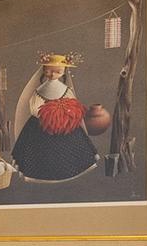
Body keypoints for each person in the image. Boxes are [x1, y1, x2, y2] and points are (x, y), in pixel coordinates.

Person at [9, 52, 98, 182]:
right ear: (44, 71)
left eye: (58, 72)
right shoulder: (40, 90)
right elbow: (34, 106)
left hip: (66, 123)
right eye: (49, 71)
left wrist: (65, 112)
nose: (53, 75)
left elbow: (72, 101)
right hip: (41, 125)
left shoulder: (65, 89)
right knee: (40, 153)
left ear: (63, 72)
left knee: (69, 151)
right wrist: (47, 114)